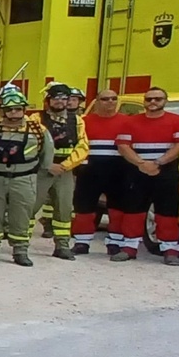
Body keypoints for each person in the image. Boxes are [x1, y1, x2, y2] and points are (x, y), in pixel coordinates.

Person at [0, 87, 53, 266]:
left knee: (22, 215)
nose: (14, 112)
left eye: (18, 108)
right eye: (9, 109)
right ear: (2, 110)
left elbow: (46, 156)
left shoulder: (38, 129)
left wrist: (33, 175)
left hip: (24, 178)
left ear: (24, 109)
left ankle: (20, 251)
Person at [113, 87, 179, 263]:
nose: (153, 102)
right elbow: (123, 146)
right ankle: (129, 248)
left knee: (167, 211)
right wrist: (141, 163)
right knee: (133, 210)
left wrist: (158, 163)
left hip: (166, 171)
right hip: (136, 170)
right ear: (144, 101)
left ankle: (170, 250)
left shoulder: (178, 121)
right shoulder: (130, 122)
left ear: (165, 101)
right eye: (149, 99)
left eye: (158, 99)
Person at [70, 88, 131, 258]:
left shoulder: (127, 122)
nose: (110, 102)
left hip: (119, 170)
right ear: (97, 102)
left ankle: (115, 243)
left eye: (113, 98)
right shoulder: (83, 122)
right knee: (84, 207)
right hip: (89, 170)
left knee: (117, 209)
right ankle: (82, 242)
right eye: (105, 99)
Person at [32, 84, 88, 260]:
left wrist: (65, 166)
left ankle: (62, 245)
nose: (60, 101)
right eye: (56, 98)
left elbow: (83, 146)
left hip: (64, 171)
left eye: (64, 98)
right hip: (40, 169)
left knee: (64, 209)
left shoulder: (77, 120)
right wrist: (47, 164)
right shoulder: (36, 118)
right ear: (48, 100)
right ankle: (21, 245)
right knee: (30, 207)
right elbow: (31, 143)